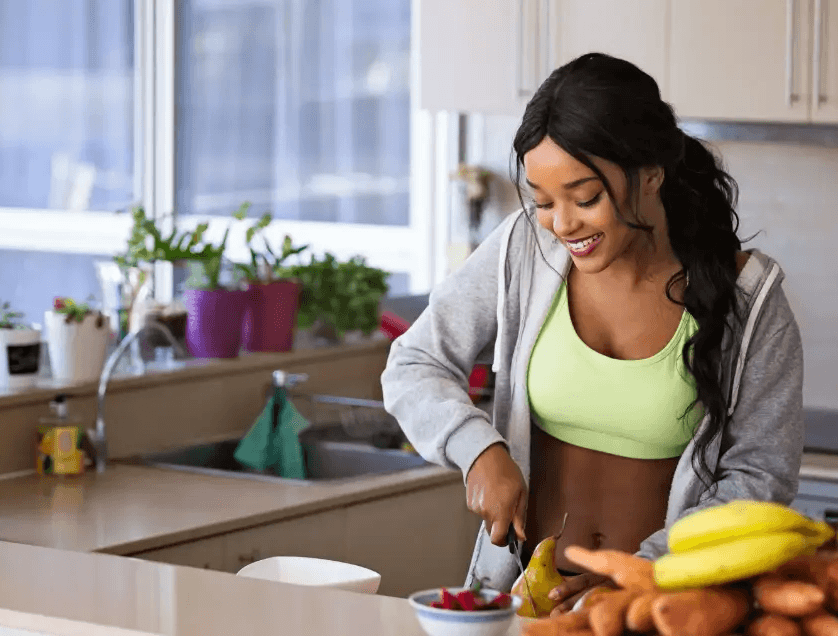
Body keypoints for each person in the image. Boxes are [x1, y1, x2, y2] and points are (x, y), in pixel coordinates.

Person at [380, 52, 804, 611]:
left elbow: (758, 478)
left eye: (584, 198)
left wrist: (637, 574)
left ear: (650, 172)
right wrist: (479, 449)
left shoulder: (748, 297)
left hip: (659, 607)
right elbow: (413, 364)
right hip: (525, 602)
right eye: (543, 201)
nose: (562, 225)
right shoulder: (524, 249)